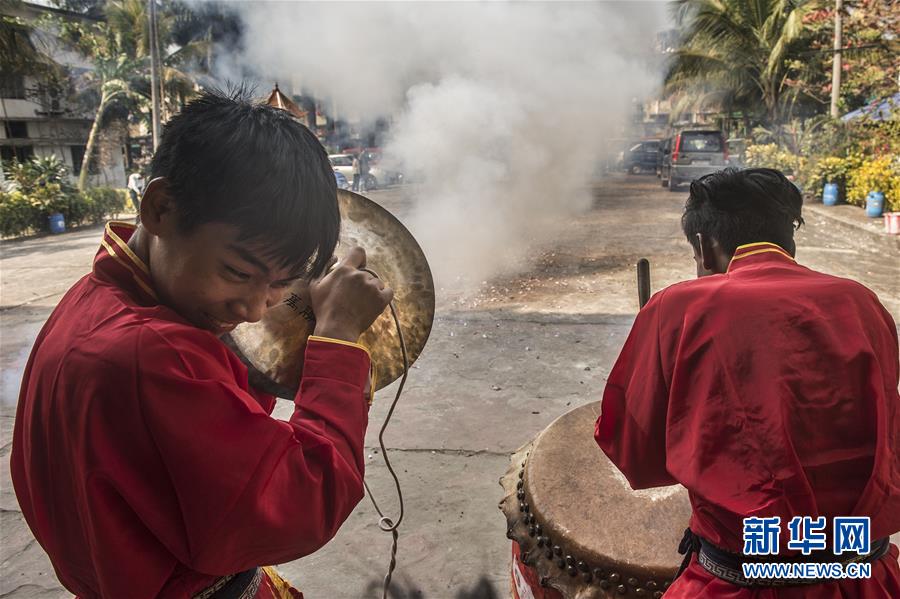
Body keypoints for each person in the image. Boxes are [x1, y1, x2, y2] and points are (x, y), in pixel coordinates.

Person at [11, 90, 393, 598]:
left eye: (282, 283)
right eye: (238, 272)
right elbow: (301, 501)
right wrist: (338, 338)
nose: (256, 308)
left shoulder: (94, 298)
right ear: (161, 209)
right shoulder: (149, 355)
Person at [595, 168, 900, 597]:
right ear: (788, 239)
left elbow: (636, 455)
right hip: (867, 579)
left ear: (703, 246)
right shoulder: (862, 302)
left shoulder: (678, 307)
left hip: (735, 584)